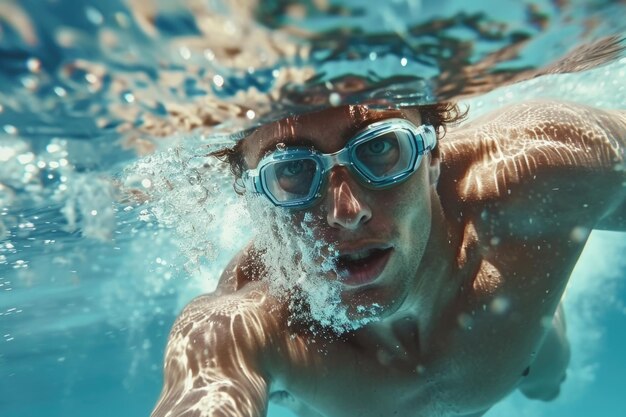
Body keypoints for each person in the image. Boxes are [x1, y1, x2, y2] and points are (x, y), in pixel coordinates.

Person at [150, 99, 625, 417]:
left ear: (432, 154)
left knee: (547, 382)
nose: (347, 212)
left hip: (530, 358)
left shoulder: (550, 170)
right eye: (291, 170)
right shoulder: (244, 325)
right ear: (256, 198)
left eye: (380, 149)